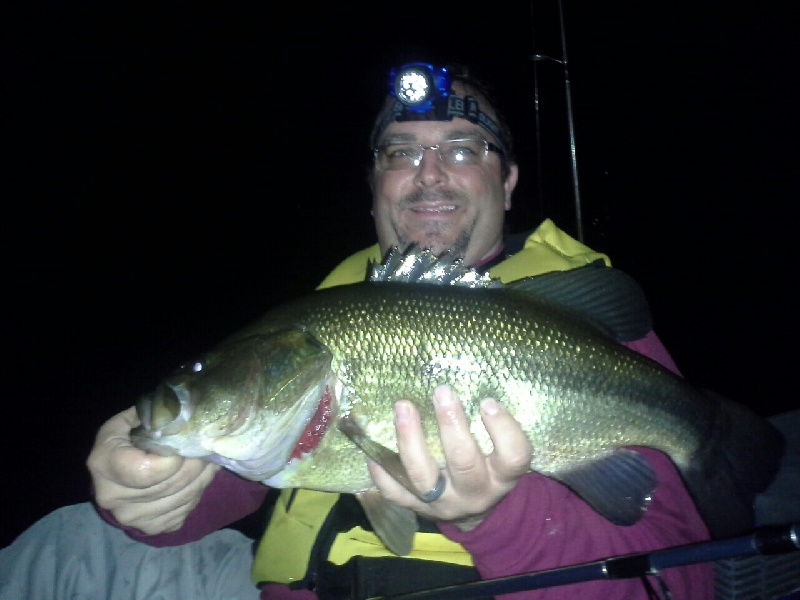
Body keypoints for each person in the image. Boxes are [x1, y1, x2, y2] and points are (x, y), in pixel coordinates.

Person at [1, 60, 723, 600]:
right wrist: (154, 496)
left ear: (507, 184)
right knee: (77, 542)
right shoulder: (335, 306)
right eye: (400, 151)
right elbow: (246, 476)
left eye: (465, 149)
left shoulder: (579, 322)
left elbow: (679, 585)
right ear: (376, 183)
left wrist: (495, 515)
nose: (429, 174)